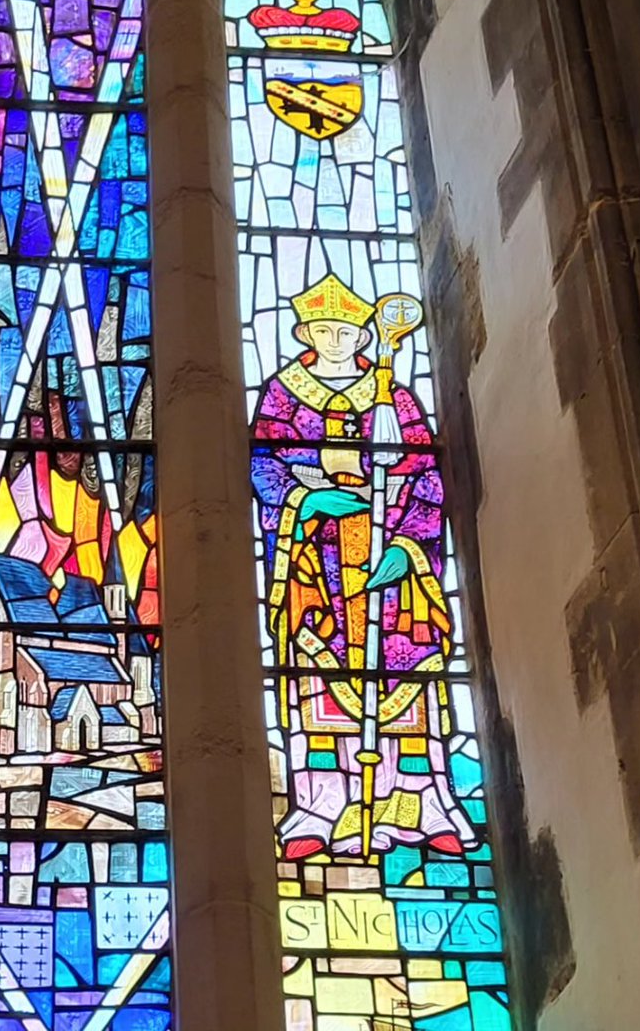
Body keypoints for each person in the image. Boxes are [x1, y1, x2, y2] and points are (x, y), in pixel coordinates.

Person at [251, 273, 476, 860]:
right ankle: (322, 805)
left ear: (362, 334)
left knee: (409, 681)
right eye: (321, 330)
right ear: (305, 332)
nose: (333, 340)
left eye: (344, 330)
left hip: (393, 569)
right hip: (316, 570)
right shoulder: (281, 395)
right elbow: (265, 470)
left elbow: (426, 478)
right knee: (314, 681)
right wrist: (307, 501)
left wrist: (407, 548)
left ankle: (419, 803)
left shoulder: (394, 399)